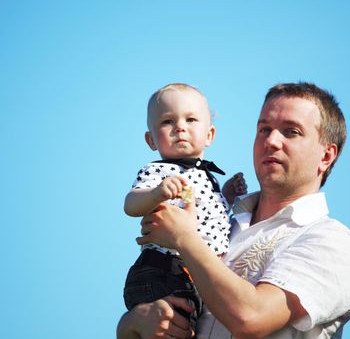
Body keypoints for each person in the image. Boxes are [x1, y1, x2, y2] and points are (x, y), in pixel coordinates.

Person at [117, 82, 350, 339]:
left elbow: (251, 318)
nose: (271, 141)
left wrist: (183, 239)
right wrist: (134, 323)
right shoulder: (226, 224)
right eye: (264, 129)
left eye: (291, 131)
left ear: (326, 157)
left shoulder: (333, 242)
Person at [123, 83, 247, 331]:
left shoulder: (207, 177)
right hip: (163, 271)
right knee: (171, 327)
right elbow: (131, 204)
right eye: (167, 122)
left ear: (209, 135)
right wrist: (157, 193)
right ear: (151, 139)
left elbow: (208, 214)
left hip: (194, 276)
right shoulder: (160, 171)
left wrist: (228, 195)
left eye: (191, 119)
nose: (180, 127)